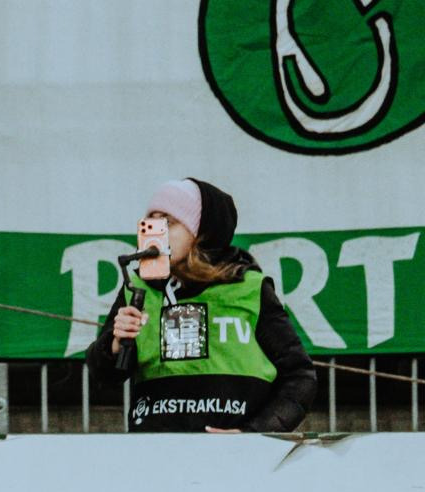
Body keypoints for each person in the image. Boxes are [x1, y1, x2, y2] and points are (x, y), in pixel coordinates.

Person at [86, 178, 316, 432]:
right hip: (154, 448)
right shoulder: (138, 289)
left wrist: (253, 433)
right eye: (151, 221)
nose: (156, 233)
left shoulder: (249, 287)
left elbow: (300, 377)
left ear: (203, 231)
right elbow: (103, 376)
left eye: (169, 222)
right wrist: (115, 345)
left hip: (232, 452)